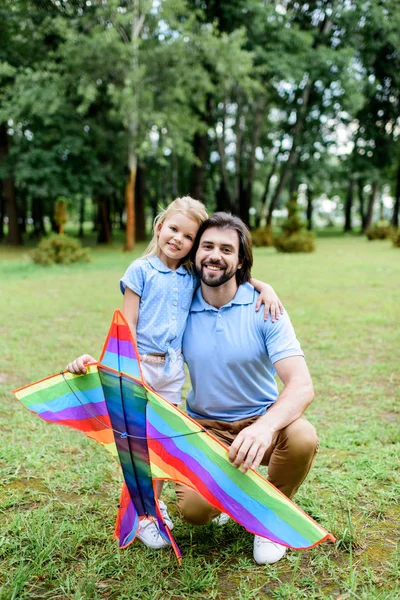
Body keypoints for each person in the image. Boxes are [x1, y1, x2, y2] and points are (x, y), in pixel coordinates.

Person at [66, 198, 284, 551]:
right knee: (137, 444)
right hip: (140, 366)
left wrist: (265, 287)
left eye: (188, 236)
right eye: (173, 229)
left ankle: (156, 507)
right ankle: (144, 515)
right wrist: (123, 366)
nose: (178, 239)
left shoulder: (190, 275)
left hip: (170, 373)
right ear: (159, 227)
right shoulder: (140, 270)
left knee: (159, 442)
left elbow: (229, 271)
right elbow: (128, 323)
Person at [174, 212, 318, 565]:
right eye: (207, 246)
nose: (214, 255)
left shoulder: (264, 307)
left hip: (262, 422)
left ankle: (270, 517)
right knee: (194, 512)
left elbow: (301, 385)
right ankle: (232, 496)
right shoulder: (178, 306)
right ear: (194, 254)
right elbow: (135, 342)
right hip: (204, 428)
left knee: (302, 437)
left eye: (227, 249)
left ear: (240, 262)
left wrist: (264, 427)